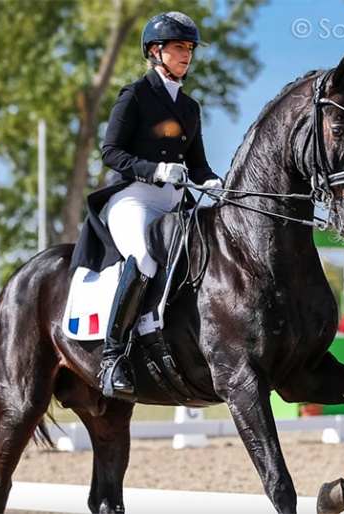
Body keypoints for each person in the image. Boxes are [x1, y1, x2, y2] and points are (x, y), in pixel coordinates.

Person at [70, 11, 223, 401]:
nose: (187, 55)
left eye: (189, 48)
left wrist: (214, 182)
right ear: (156, 51)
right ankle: (113, 356)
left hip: (174, 204)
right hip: (135, 200)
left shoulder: (190, 108)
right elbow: (110, 152)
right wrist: (154, 169)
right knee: (144, 258)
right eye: (178, 47)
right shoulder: (134, 95)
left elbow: (198, 163)